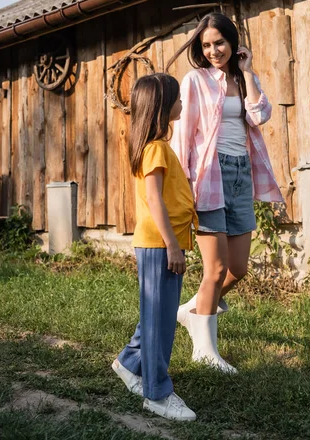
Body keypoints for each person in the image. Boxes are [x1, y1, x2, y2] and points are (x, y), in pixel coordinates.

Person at [168, 12, 283, 374]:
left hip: (239, 175)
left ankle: (192, 310)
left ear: (233, 42)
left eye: (220, 42)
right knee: (215, 270)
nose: (214, 50)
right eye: (206, 45)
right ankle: (204, 351)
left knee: (238, 268)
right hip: (208, 176)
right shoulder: (194, 80)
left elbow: (259, 115)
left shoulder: (242, 77)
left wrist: (247, 72)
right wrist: (183, 184)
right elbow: (182, 136)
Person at [112, 73, 198, 422]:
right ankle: (157, 394)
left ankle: (129, 363)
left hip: (162, 244)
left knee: (157, 314)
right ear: (163, 107)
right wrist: (172, 247)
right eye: (177, 99)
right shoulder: (157, 148)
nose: (182, 104)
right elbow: (154, 201)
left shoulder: (155, 146)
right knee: (160, 323)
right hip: (160, 245)